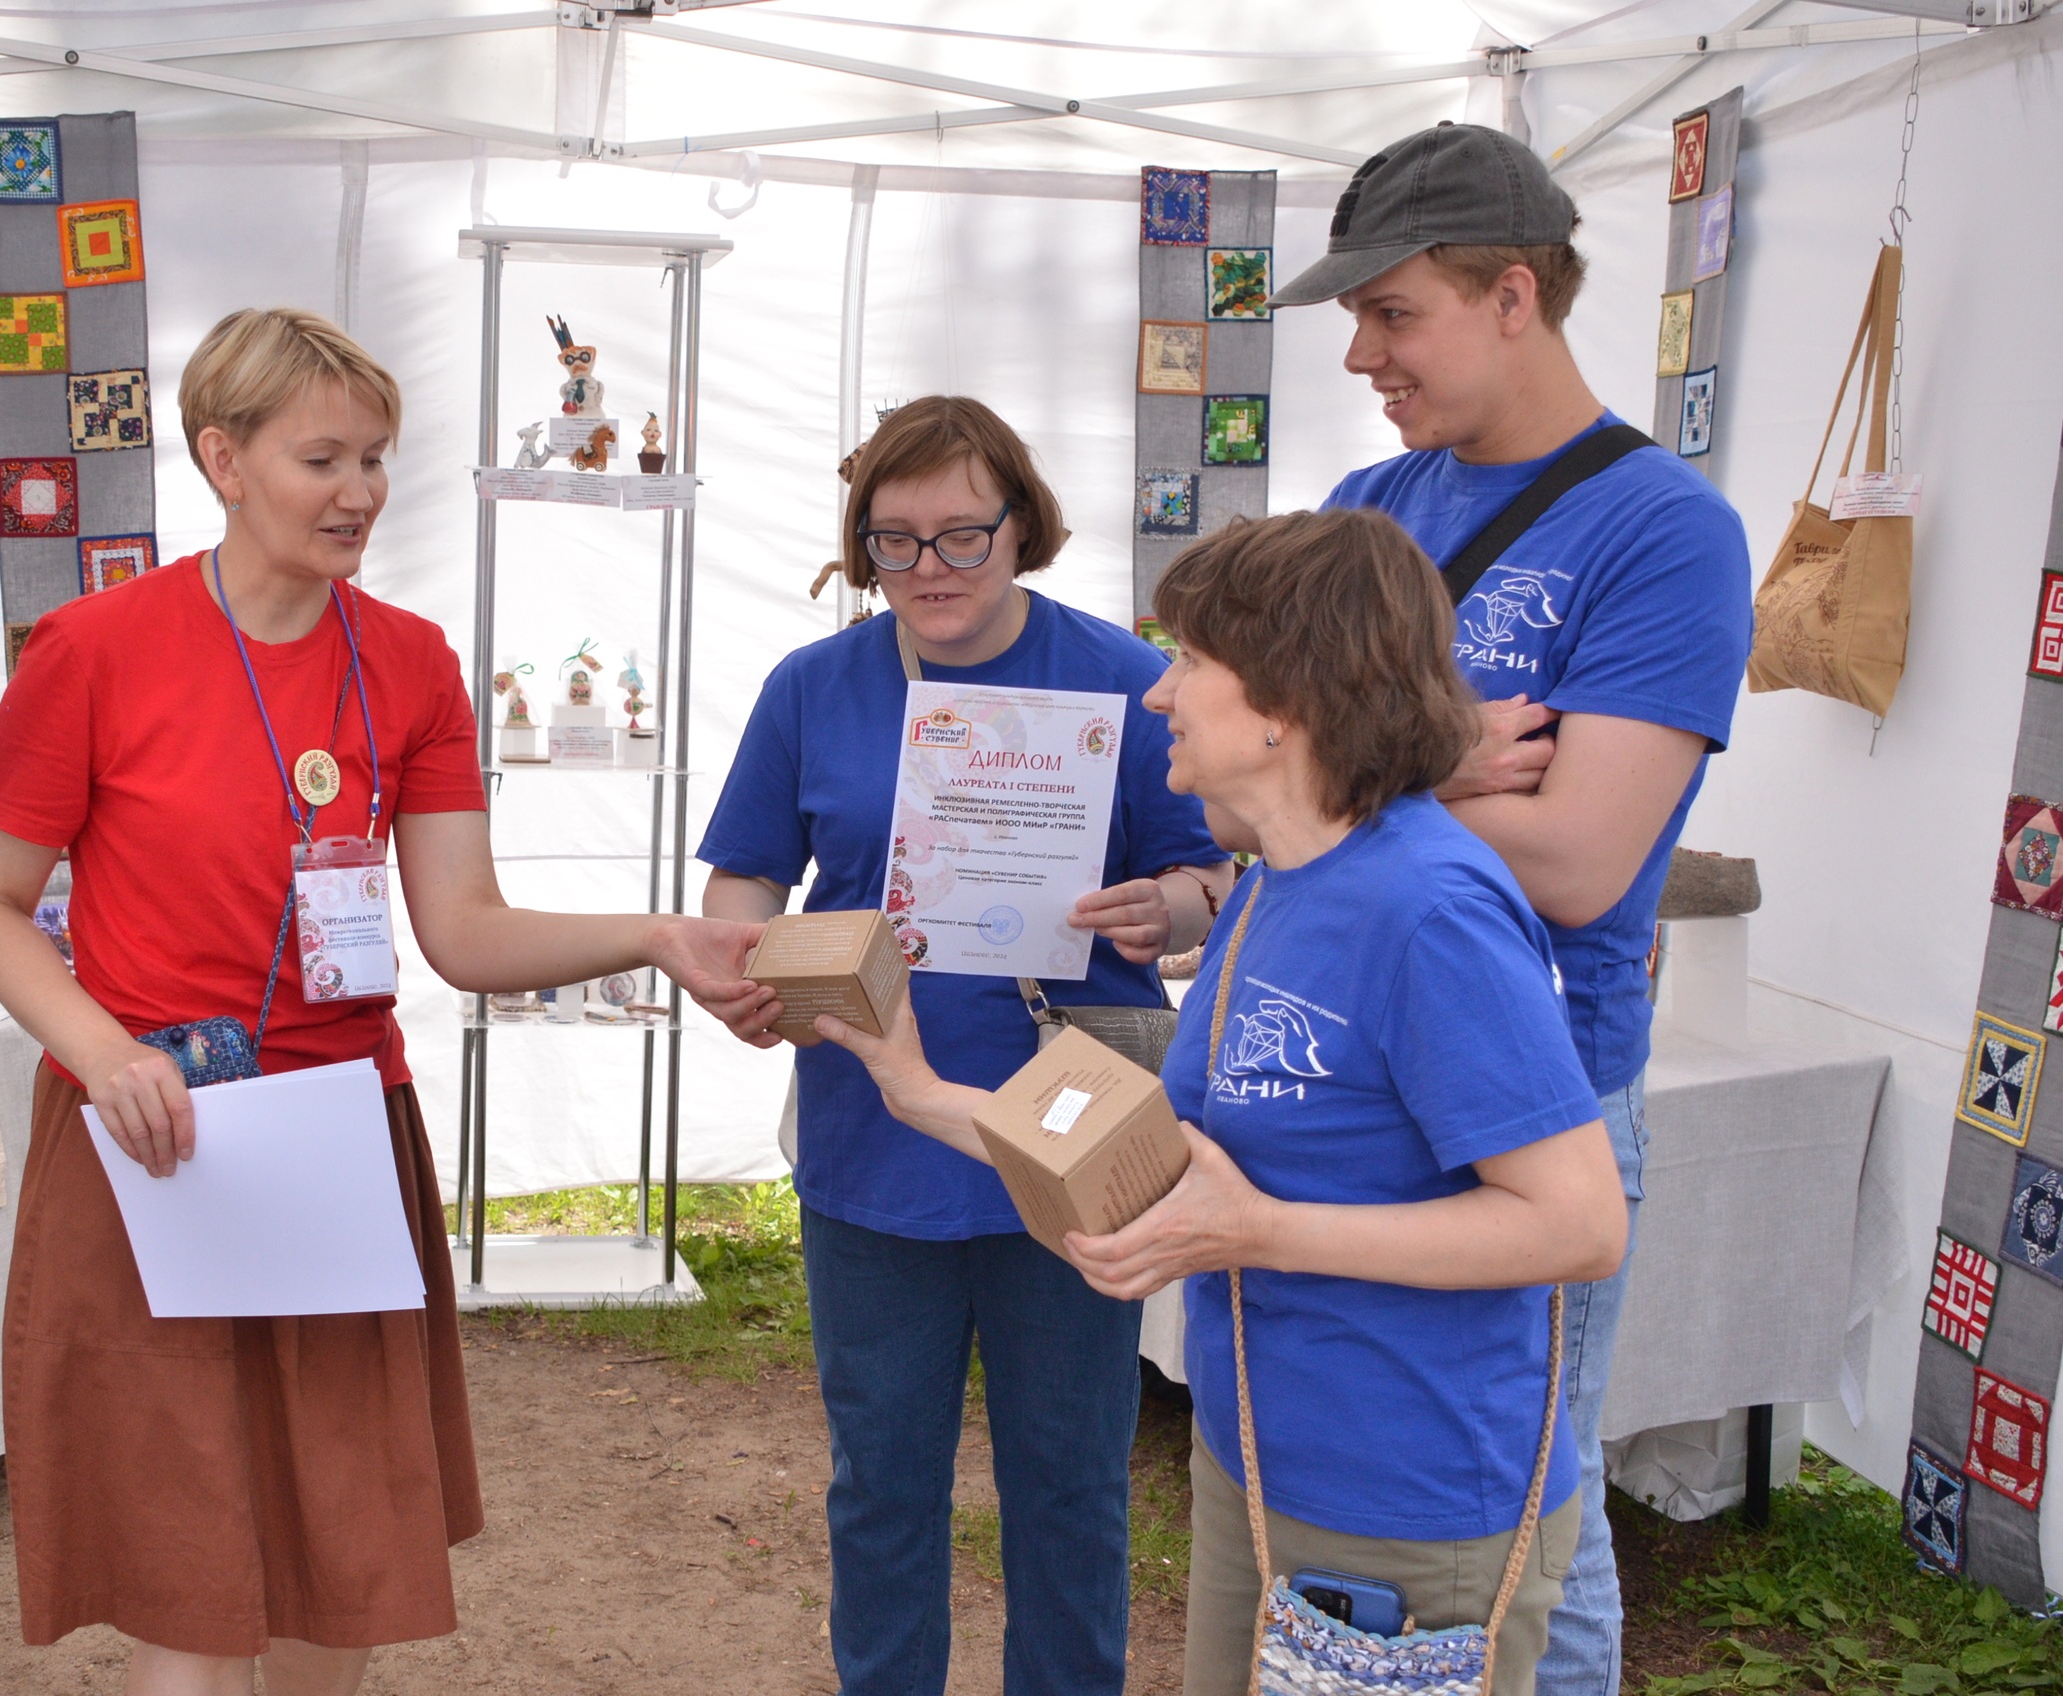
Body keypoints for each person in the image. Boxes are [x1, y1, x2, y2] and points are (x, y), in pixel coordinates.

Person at [0, 307, 762, 1696]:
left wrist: (653, 934)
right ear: (225, 460)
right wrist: (101, 1050)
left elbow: (464, 928)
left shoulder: (410, 662)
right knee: (189, 1579)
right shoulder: (92, 650)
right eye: (322, 459)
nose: (360, 492)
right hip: (154, 1140)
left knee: (339, 1561)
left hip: (334, 1137)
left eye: (375, 458)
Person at [819, 509, 1628, 1696]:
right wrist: (918, 1090)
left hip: (1408, 1501)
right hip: (1262, 1467)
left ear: (1285, 701)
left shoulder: (1429, 908)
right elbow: (1164, 1151)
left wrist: (1260, 1231)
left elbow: (1578, 1223)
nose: (1158, 693)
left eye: (1191, 658)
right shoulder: (1275, 884)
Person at [1269, 120, 1754, 1696]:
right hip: (1346, 1074)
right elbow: (1252, 779)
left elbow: (1580, 863)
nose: (1363, 354)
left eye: (1392, 313)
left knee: (1535, 1503)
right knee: (1377, 1484)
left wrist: (1359, 772)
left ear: (1515, 296)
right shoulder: (1369, 502)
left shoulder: (1664, 529)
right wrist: (1441, 764)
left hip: (1530, 1094)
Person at [693, 396, 1230, 1696]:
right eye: (894, 541)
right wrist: (743, 962)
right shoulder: (814, 686)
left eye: (960, 536)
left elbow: (1216, 875)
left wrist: (1163, 909)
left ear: (1020, 526)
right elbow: (745, 879)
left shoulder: (1124, 676)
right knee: (881, 1482)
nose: (928, 568)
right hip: (874, 1145)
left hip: (1074, 1143)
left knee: (1071, 1484)